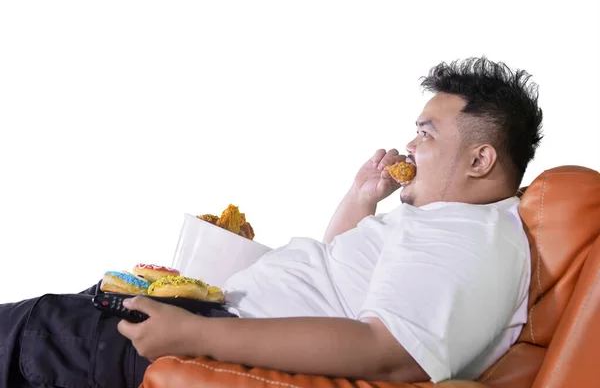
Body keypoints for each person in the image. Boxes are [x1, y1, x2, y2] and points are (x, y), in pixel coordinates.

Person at [0, 56, 543, 387]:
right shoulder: (445, 223)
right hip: (208, 318)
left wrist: (193, 334)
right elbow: (341, 274)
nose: (409, 144)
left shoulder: (467, 237)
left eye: (426, 134)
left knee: (24, 333)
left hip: (212, 341)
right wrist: (361, 196)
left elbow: (391, 352)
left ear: (480, 160)